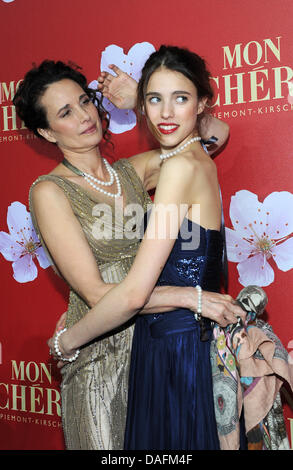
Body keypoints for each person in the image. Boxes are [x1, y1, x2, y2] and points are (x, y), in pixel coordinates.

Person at [13, 59, 243, 450]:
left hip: (151, 349)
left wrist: (146, 99)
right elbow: (97, 295)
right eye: (66, 112)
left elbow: (212, 134)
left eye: (86, 101)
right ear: (47, 131)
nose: (86, 115)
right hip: (99, 355)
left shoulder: (133, 173)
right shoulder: (48, 191)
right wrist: (189, 298)